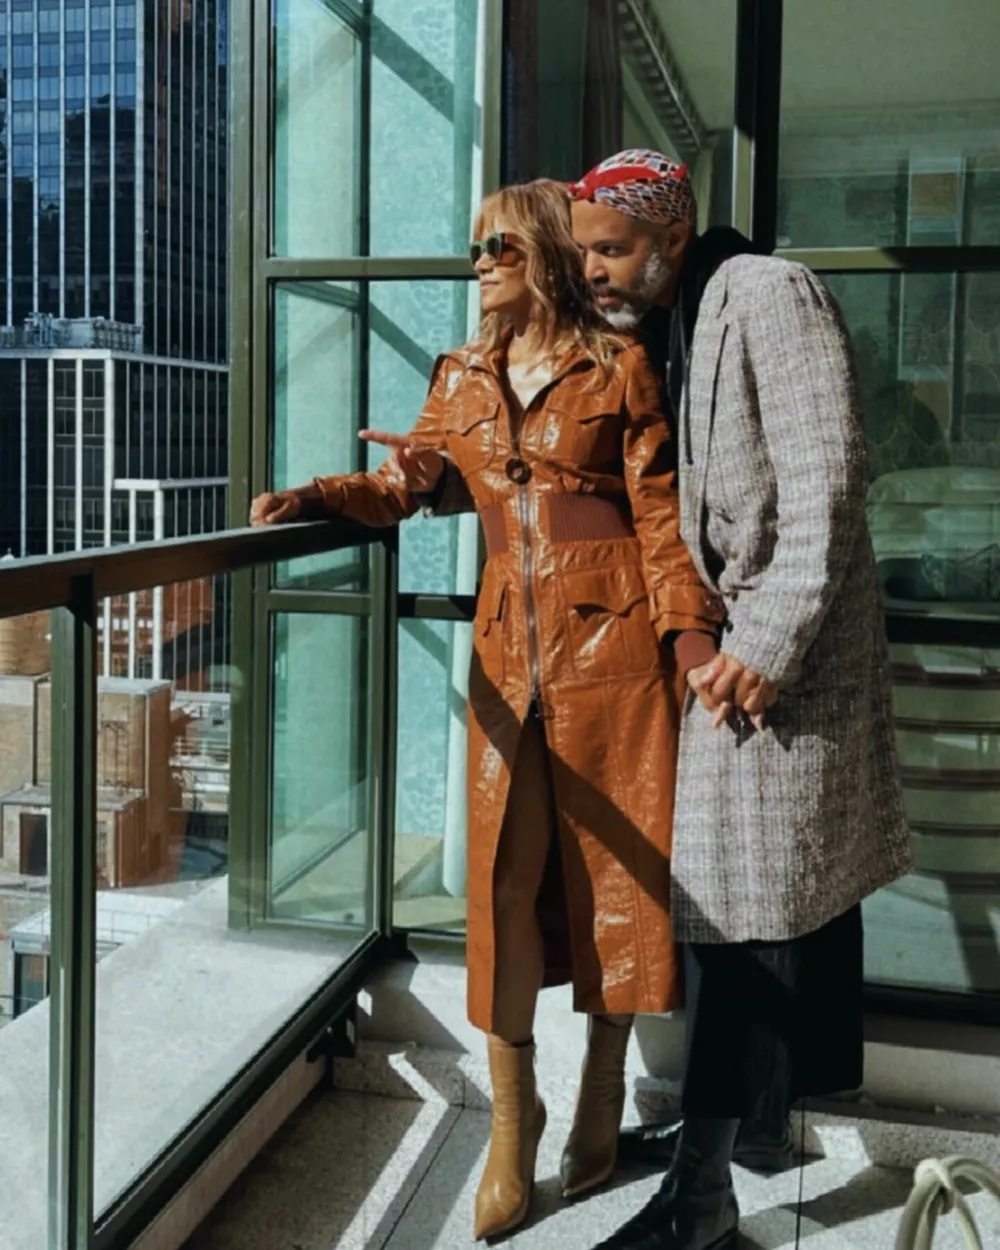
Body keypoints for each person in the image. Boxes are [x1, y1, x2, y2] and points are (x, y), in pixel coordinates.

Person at [405, 152, 915, 1250]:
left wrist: (763, 645)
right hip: (728, 656)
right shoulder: (666, 320)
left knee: (748, 917)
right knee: (763, 912)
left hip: (779, 661)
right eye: (582, 250)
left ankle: (700, 1200)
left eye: (610, 249)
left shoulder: (765, 293)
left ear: (671, 235)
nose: (590, 268)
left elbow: (829, 481)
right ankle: (750, 1133)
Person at [249, 178, 725, 1242]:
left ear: (546, 252)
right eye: (475, 250)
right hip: (509, 647)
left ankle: (602, 1082)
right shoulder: (460, 374)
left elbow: (660, 519)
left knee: (616, 874)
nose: (479, 266)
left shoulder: (619, 365)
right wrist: (320, 494)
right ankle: (515, 1120)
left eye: (497, 248)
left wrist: (689, 637)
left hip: (617, 643)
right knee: (504, 875)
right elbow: (407, 485)